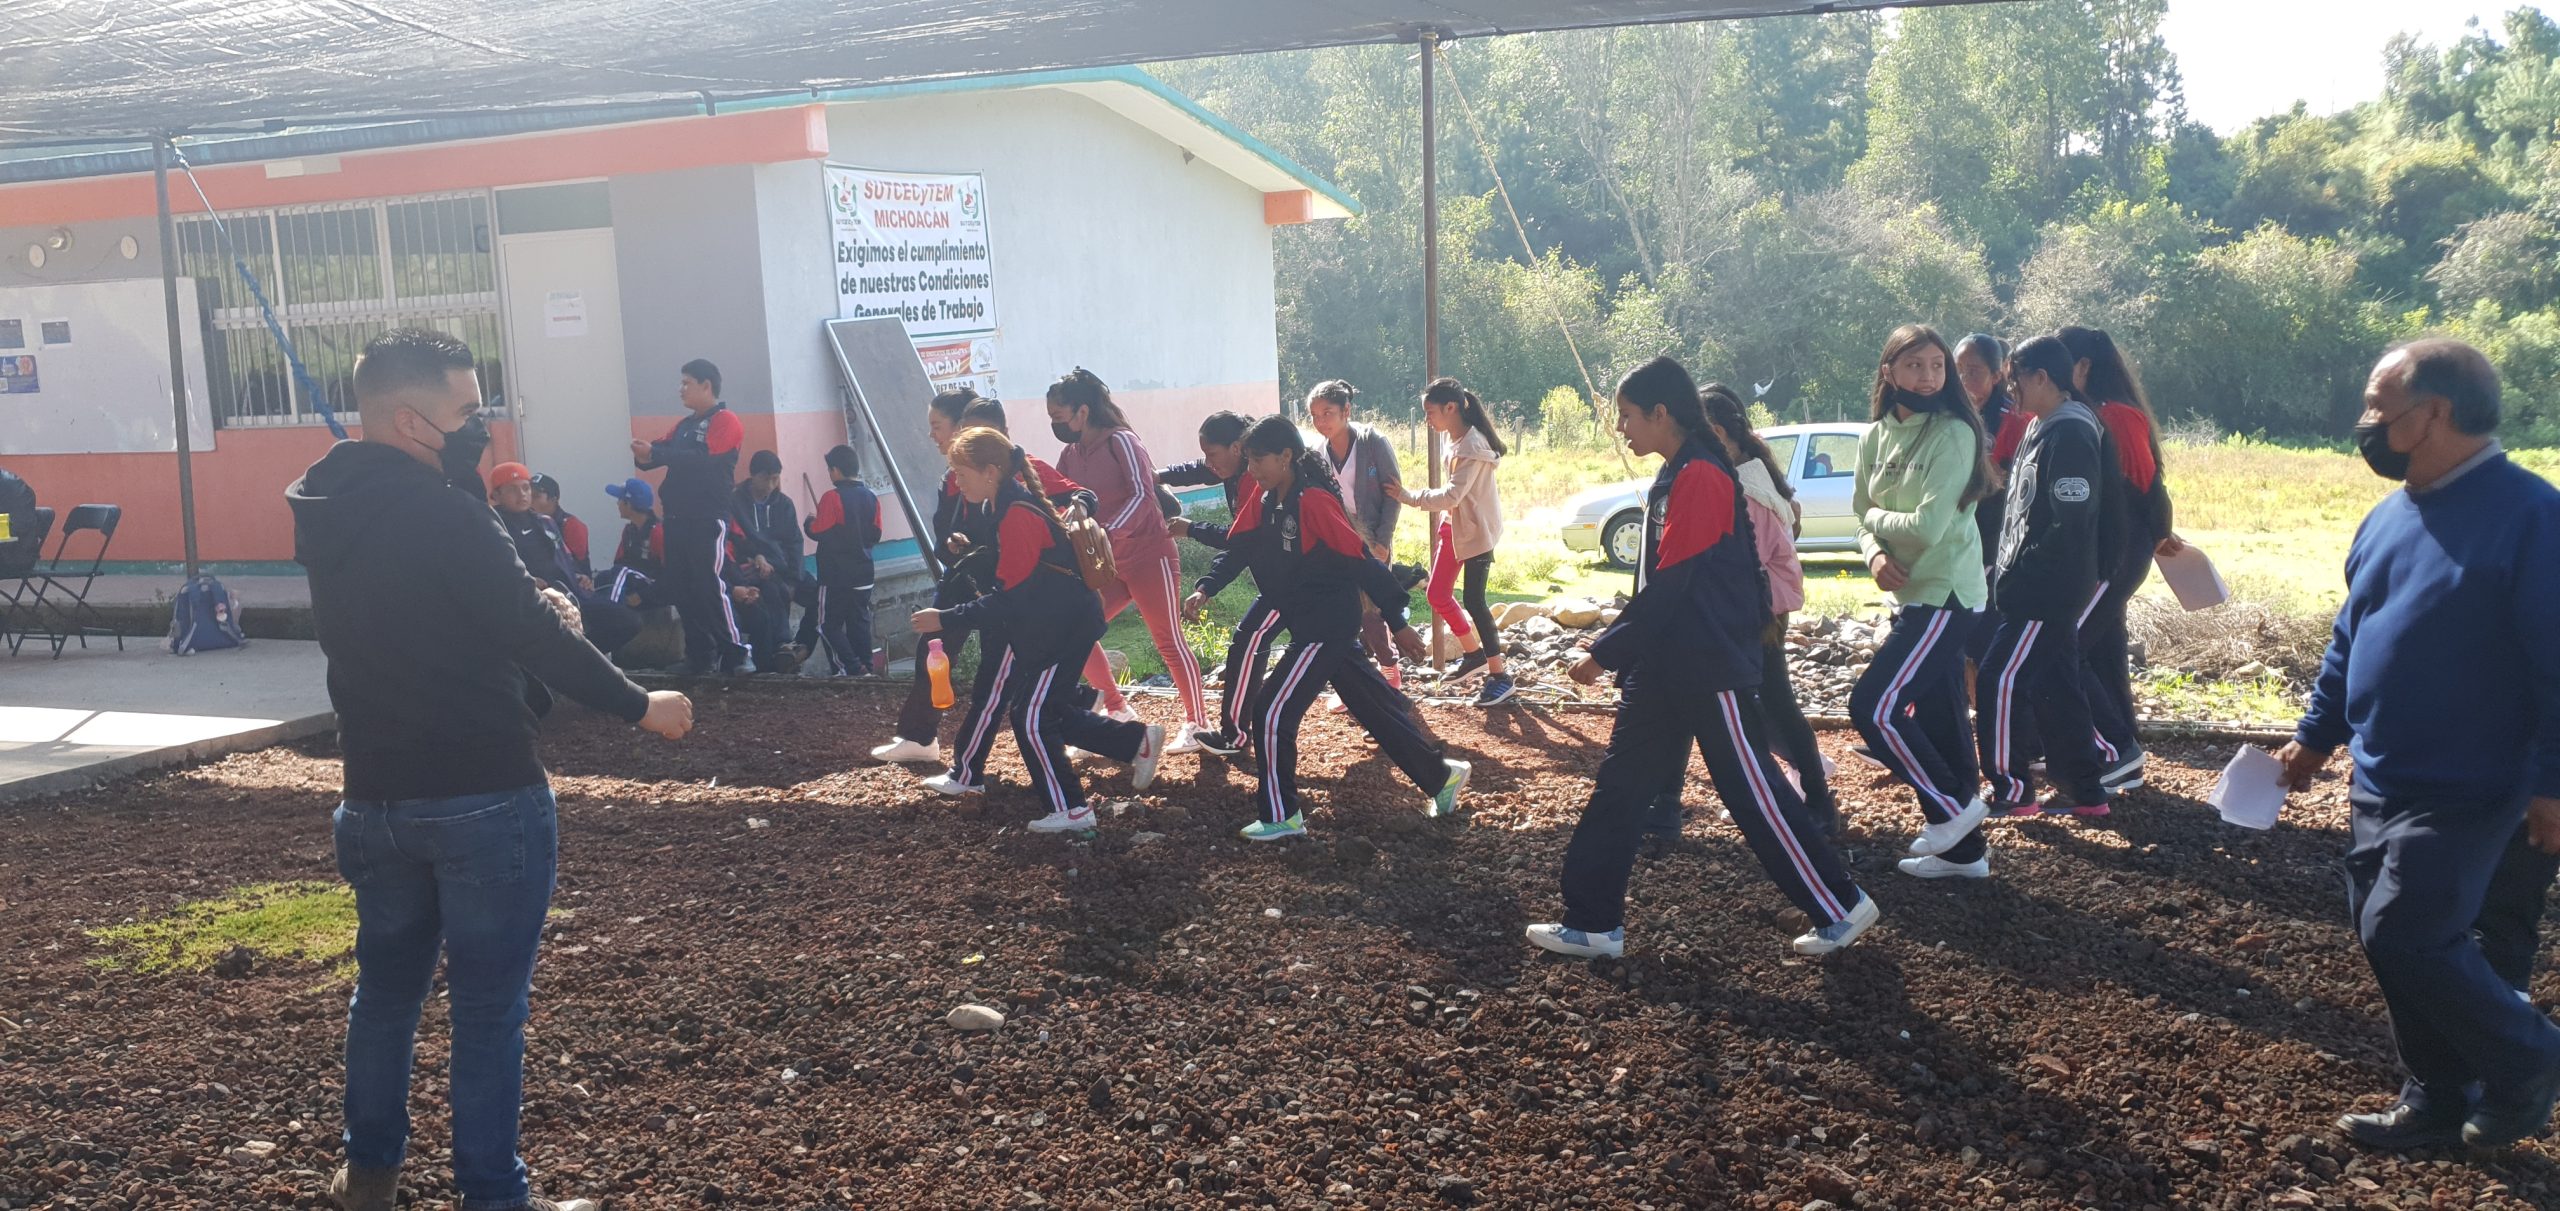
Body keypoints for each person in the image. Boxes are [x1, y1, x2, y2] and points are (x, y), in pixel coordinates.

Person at [286, 328, 693, 1211]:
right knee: (487, 1010)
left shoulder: (323, 503)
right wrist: (641, 704)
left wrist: (515, 597)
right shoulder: (447, 511)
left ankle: (369, 1175)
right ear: (410, 420)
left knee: (384, 994)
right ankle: (492, 1194)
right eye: (468, 411)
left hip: (373, 797)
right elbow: (531, 632)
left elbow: (421, 611)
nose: (483, 426)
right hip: (483, 790)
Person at [2273, 338, 2560, 1151]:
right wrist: (2315, 737)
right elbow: (2350, 638)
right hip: (2383, 772)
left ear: (2433, 412)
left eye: (2378, 405)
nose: (2366, 421)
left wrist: (2553, 782)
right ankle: (2437, 1094)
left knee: (2406, 931)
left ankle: (2531, 1056)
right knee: (2386, 936)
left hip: (2478, 782)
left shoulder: (2533, 517)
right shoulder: (2389, 516)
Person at [1527, 356, 1878, 961]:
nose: (1621, 429)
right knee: (1620, 788)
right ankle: (1592, 921)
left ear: (1661, 413)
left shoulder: (1702, 476)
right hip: (1668, 666)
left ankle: (1840, 904)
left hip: (1707, 665)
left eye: (1627, 416)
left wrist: (1605, 652)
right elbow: (1664, 584)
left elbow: (1674, 585)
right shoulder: (1679, 472)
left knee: (1753, 793)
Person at [1197, 416, 1468, 841]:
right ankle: (1441, 776)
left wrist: (1397, 621)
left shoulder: (1313, 502)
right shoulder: (1265, 500)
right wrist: (1206, 586)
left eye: (1258, 460)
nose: (1251, 469)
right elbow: (1239, 546)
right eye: (1248, 460)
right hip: (1308, 621)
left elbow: (1361, 561)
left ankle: (1281, 816)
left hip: (1325, 625)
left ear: (1286, 456)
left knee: (1270, 711)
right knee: (1373, 706)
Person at [914, 427, 1163, 832]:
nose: (956, 483)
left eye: (961, 473)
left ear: (990, 471)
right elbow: (1018, 580)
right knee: (1040, 712)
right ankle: (1135, 743)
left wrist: (947, 617)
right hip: (1056, 624)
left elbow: (1012, 598)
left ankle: (1071, 809)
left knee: (1031, 716)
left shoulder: (1015, 514)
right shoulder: (1003, 505)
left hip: (1060, 628)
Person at [1643, 384, 1841, 855]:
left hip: (1752, 614)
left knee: (1771, 703)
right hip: (1741, 610)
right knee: (1722, 703)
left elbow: (1749, 563)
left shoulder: (1742, 487)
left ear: (1714, 433)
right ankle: (1669, 807)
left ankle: (1814, 802)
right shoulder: (1740, 474)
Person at [872, 391, 1096, 766]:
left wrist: (1079, 510)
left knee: (1007, 677)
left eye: (937, 426)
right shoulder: (953, 479)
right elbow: (944, 532)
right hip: (967, 581)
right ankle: (924, 739)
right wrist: (953, 544)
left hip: (1009, 592)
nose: (934, 436)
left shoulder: (1022, 473)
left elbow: (1080, 495)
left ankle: (1086, 714)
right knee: (940, 652)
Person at [1850, 325, 1998, 879]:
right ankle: (1965, 856)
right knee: (1942, 721)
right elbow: (1858, 515)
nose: (1929, 377)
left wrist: (1874, 520)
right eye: (1915, 365)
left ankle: (1953, 809)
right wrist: (1873, 554)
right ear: (1889, 372)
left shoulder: (1954, 432)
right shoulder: (1874, 436)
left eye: (1938, 365)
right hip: (1910, 597)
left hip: (1946, 595)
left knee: (1873, 707)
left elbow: (1927, 528)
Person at [1976, 335, 2119, 821]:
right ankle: (2086, 791)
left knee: (1999, 678)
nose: (2009, 390)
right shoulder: (2043, 425)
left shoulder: (2070, 431)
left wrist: (2028, 572)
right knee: (2056, 685)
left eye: (2014, 379)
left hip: (2044, 589)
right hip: (2038, 585)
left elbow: (2071, 519)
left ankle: (2012, 789)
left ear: (2041, 378)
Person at [1047, 368, 1209, 751]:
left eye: (1058, 416)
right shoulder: (1070, 454)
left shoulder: (1122, 441)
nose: (1055, 424)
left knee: (1168, 639)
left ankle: (1198, 724)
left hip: (1149, 555)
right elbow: (1056, 500)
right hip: (1107, 565)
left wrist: (1107, 531)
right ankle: (1117, 708)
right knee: (1075, 630)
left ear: (1082, 412)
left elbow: (1143, 495)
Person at [2056, 327, 2179, 794]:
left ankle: (2116, 751)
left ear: (2083, 367)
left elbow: (2141, 487)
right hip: (2108, 551)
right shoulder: (2094, 412)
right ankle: (2122, 753)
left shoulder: (2116, 416)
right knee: (2104, 650)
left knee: (2062, 645)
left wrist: (2156, 531)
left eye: (2059, 365)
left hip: (2117, 552)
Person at [1390, 377, 1516, 707]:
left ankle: (1500, 676)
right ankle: (1473, 655)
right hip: (1455, 527)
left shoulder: (1473, 446)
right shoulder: (1453, 437)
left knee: (1475, 600)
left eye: (1430, 413)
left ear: (1451, 408)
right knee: (1437, 593)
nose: (1427, 420)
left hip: (1477, 533)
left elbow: (1452, 495)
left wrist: (1408, 496)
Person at [630, 358, 748, 674]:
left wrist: (656, 453)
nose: (681, 389)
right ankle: (699, 654)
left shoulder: (725, 420)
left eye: (686, 383)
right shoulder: (683, 426)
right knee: (680, 585)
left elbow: (703, 459)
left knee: (708, 582)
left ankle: (736, 651)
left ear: (706, 385)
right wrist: (644, 453)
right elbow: (658, 453)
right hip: (676, 516)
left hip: (707, 515)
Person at [1158, 411, 1266, 754]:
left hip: (1293, 584)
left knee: (1247, 642)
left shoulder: (1252, 480)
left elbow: (1239, 539)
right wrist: (1206, 588)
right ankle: (1395, 713)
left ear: (1237, 448)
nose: (1208, 463)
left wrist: (1190, 528)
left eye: (1212, 454)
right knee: (1343, 660)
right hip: (1284, 582)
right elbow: (1243, 546)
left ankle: (1235, 736)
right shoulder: (1235, 468)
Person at [1304, 380, 1407, 693]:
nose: (1321, 422)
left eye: (1328, 413)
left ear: (1346, 411)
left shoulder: (1372, 442)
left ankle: (1389, 673)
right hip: (1338, 538)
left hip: (1371, 536)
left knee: (1373, 608)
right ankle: (1357, 683)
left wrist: (1383, 541)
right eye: (1315, 416)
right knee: (1345, 610)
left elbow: (1393, 494)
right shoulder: (1317, 452)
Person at [487, 462, 639, 657]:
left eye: (526, 488)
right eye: (512, 489)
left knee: (627, 621)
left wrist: (578, 576)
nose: (522, 494)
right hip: (533, 602)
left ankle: (578, 658)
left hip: (570, 595)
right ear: (496, 495)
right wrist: (529, 582)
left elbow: (564, 559)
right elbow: (494, 571)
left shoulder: (545, 522)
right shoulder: (492, 526)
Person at [1952, 334, 2013, 672]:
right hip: (1955, 533)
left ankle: (1984, 696)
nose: (1963, 379)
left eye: (1973, 371)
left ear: (1997, 374)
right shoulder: (1948, 412)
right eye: (1957, 370)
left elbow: (2005, 480)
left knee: (1983, 629)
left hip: (1993, 537)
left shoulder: (2011, 416)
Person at [801, 444, 882, 677]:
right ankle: (866, 667)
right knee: (859, 623)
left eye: (829, 469)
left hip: (835, 576)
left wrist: (808, 523)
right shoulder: (871, 497)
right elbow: (876, 534)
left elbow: (819, 530)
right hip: (864, 572)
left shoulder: (832, 497)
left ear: (835, 470)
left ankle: (851, 668)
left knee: (827, 624)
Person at [729, 450, 804, 675]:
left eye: (776, 478)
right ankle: (780, 650)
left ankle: (794, 648)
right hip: (749, 567)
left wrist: (794, 579)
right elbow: (736, 538)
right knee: (771, 594)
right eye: (766, 478)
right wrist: (756, 558)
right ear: (753, 475)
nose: (771, 485)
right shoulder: (735, 502)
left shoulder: (783, 504)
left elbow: (795, 542)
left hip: (782, 566)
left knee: (817, 598)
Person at [598, 478, 663, 609]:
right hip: (632, 583)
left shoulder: (657, 532)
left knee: (620, 572)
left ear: (629, 504)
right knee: (603, 578)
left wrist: (643, 595)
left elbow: (671, 573)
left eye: (620, 500)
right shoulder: (629, 530)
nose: (617, 504)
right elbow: (619, 562)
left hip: (654, 590)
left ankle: (611, 610)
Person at [526, 473, 590, 578]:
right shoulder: (524, 523)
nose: (529, 501)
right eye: (528, 495)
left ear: (553, 499)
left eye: (535, 496)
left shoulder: (571, 524)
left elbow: (576, 565)